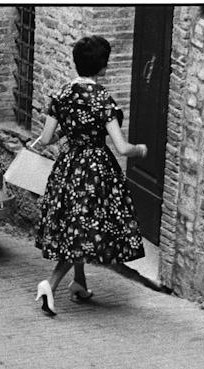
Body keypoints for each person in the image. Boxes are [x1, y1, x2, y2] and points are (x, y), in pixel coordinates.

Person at [32, 35, 148, 316]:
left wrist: (68, 131)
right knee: (85, 231)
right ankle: (50, 283)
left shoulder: (61, 95)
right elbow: (120, 147)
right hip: (95, 172)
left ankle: (79, 283)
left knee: (76, 224)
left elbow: (47, 138)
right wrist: (140, 150)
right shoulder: (102, 99)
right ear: (103, 67)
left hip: (68, 166)